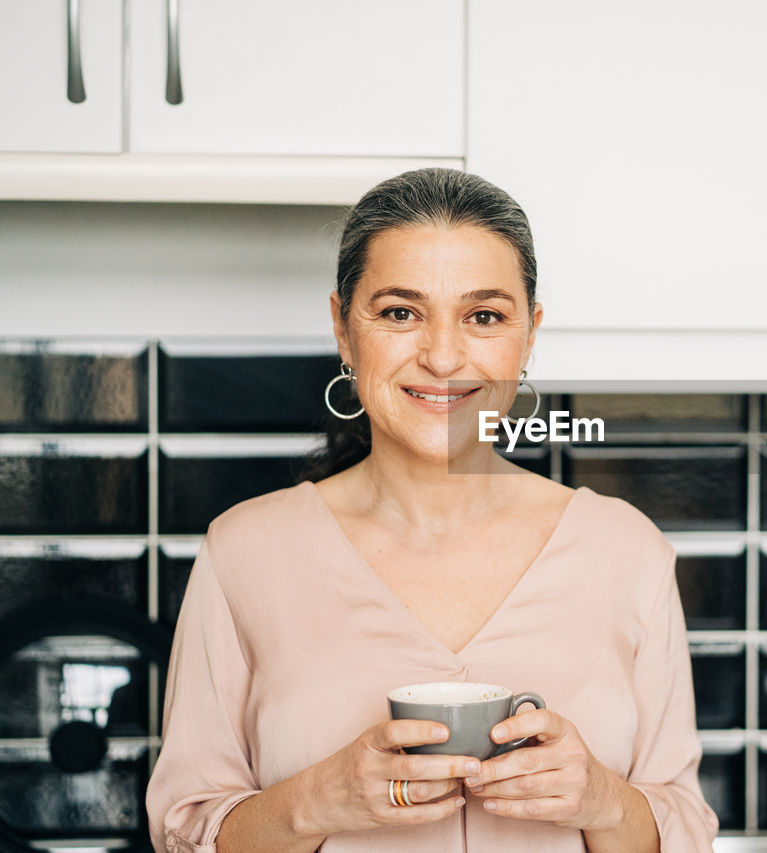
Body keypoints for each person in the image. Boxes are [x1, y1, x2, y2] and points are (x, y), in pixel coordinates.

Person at [145, 168, 718, 852]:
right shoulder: (244, 552)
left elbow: (684, 825)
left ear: (529, 334)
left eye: (484, 316)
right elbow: (185, 828)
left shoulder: (626, 551)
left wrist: (602, 800)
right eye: (399, 312)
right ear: (343, 328)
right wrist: (316, 800)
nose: (443, 356)